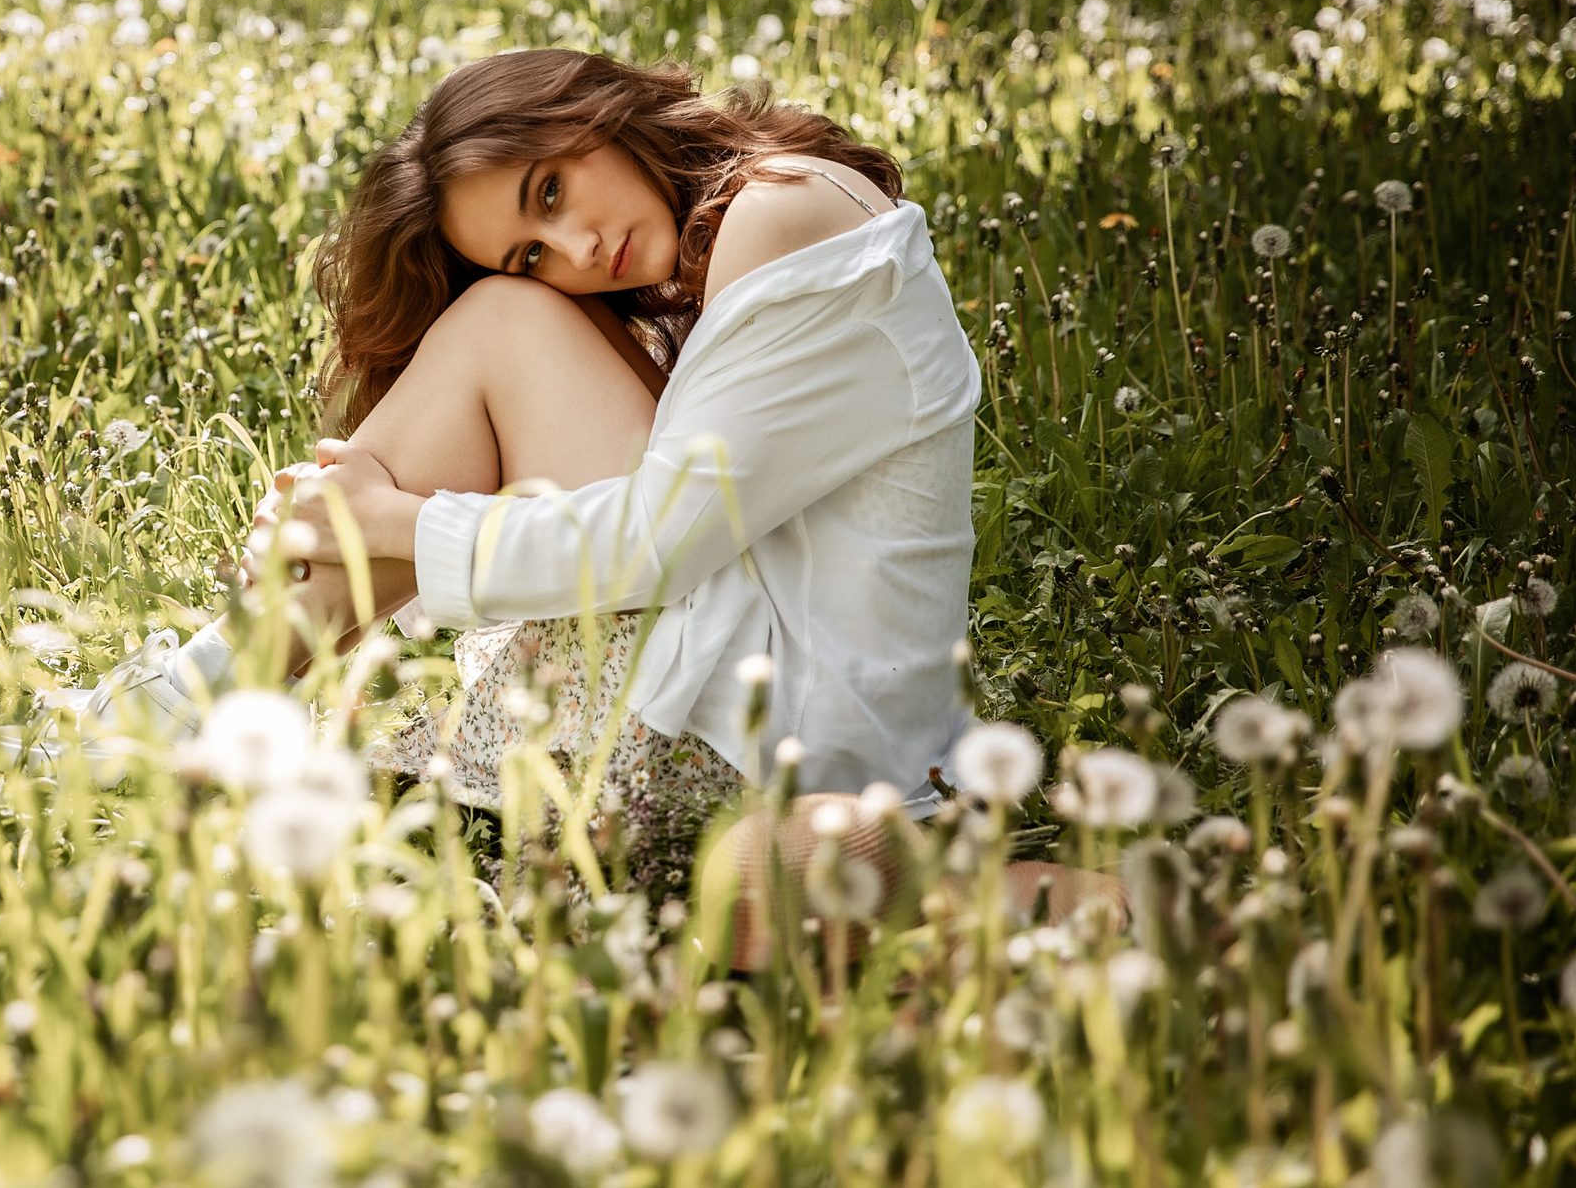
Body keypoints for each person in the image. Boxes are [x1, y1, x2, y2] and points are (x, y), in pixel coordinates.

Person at [84, 48, 1110, 933]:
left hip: (759, 749)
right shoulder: (710, 246)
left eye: (549, 190)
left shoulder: (780, 210)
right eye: (534, 248)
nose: (576, 249)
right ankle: (207, 686)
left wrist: (386, 521)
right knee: (502, 322)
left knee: (499, 326)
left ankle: (195, 695)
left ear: (597, 114)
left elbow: (654, 546)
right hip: (784, 734)